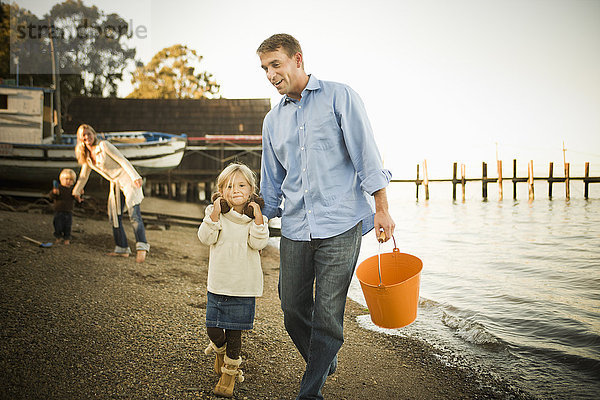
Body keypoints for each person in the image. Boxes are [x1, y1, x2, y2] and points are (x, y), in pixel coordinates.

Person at [257, 33, 396, 399]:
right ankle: (324, 357)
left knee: (328, 314)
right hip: (295, 227)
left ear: (297, 60)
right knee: (291, 307)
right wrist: (255, 218)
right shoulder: (272, 121)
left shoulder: (340, 96)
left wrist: (382, 208)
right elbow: (271, 181)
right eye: (265, 69)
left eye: (276, 65)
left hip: (341, 224)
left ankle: (310, 391)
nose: (271, 75)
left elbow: (367, 155)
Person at [197, 162, 269, 397]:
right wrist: (215, 213)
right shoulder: (215, 214)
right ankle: (220, 350)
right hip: (219, 282)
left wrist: (258, 219)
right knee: (213, 328)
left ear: (251, 191)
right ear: (221, 192)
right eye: (229, 186)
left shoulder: (255, 219)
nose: (235, 189)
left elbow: (258, 243)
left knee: (235, 333)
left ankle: (230, 373)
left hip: (243, 286)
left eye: (241, 185)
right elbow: (206, 238)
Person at [72, 124, 150, 263]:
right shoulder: (87, 157)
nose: (87, 137)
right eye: (83, 135)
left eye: (89, 134)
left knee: (134, 215)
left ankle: (142, 248)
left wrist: (135, 176)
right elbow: (84, 176)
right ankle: (122, 248)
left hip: (127, 179)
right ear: (80, 138)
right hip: (115, 183)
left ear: (94, 134)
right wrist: (76, 190)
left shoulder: (104, 145)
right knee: (113, 216)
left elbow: (122, 159)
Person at [48, 168, 79, 245]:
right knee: (57, 225)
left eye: (71, 180)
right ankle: (58, 237)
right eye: (66, 179)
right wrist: (54, 193)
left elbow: (78, 200)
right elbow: (51, 197)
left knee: (67, 226)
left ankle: (66, 238)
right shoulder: (58, 188)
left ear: (73, 181)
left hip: (68, 211)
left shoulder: (73, 190)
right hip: (59, 210)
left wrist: (79, 195)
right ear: (61, 180)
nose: (68, 181)